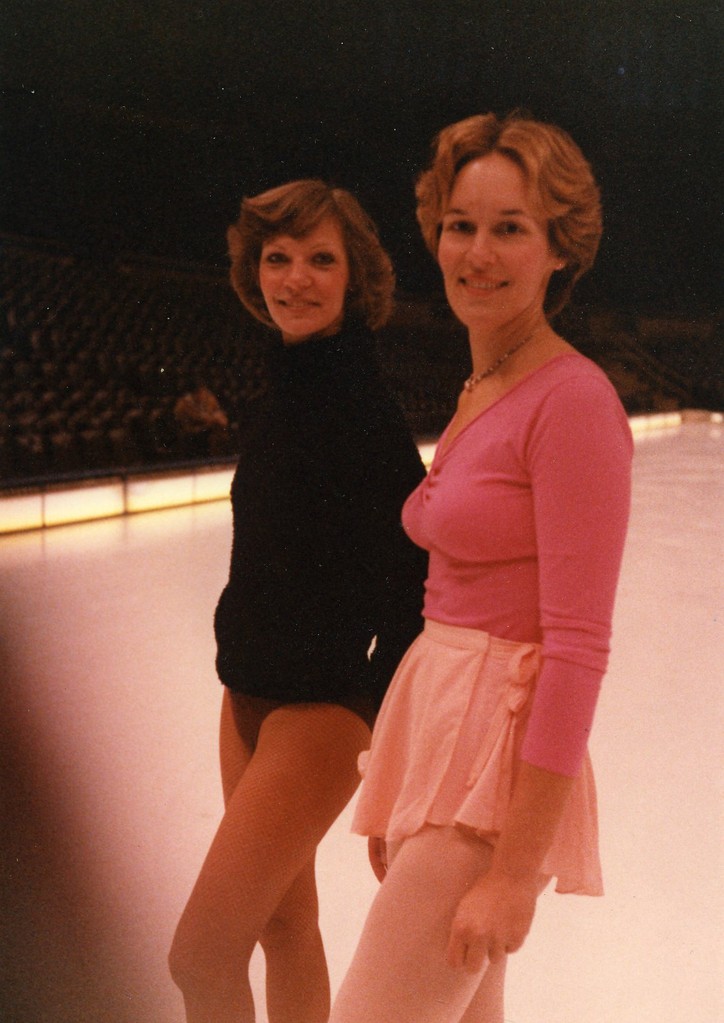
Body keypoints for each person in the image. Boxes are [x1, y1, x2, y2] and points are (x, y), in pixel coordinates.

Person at [329, 112, 633, 1023]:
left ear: (558, 251)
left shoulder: (574, 402)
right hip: (441, 746)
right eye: (462, 224)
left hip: (495, 778)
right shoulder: (485, 383)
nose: (479, 251)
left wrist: (513, 871)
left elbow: (576, 649)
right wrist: (402, 772)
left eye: (512, 228)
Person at [168, 179, 427, 1023]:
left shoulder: (366, 414)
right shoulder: (284, 389)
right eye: (278, 258)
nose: (296, 278)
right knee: (287, 924)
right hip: (243, 694)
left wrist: (393, 764)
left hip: (318, 715)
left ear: (356, 279)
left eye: (322, 259)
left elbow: (413, 594)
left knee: (199, 955)